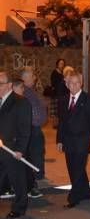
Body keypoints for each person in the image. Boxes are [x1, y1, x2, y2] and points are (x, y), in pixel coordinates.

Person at [57, 72, 90, 208]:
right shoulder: (63, 100)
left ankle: (73, 198)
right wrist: (59, 140)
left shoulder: (89, 99)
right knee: (72, 167)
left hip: (82, 140)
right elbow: (62, 122)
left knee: (79, 168)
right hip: (68, 140)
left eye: (77, 83)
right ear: (67, 84)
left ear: (81, 84)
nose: (74, 85)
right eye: (71, 83)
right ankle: (85, 192)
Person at [0, 69, 32, 218]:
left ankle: (19, 208)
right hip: (1, 147)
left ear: (9, 85)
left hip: (13, 148)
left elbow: (25, 128)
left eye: (0, 84)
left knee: (17, 179)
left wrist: (21, 149)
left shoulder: (21, 102)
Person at [20, 67, 47, 198]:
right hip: (31, 130)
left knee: (37, 154)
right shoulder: (24, 92)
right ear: (25, 79)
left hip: (35, 129)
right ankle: (33, 183)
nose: (35, 78)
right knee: (32, 156)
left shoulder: (30, 91)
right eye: (32, 77)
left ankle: (36, 179)